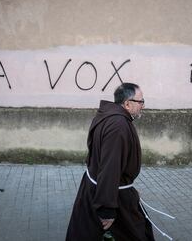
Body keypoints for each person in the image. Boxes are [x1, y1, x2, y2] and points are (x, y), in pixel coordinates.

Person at [66, 83, 154, 241]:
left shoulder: (109, 116)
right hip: (110, 195)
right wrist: (107, 208)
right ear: (127, 104)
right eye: (140, 101)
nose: (143, 105)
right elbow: (109, 168)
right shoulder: (118, 126)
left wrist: (128, 187)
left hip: (102, 189)